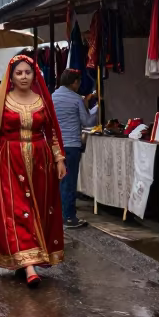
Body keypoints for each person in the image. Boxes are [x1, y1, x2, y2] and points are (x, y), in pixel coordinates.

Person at [0, 55, 67, 287]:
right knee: (17, 209)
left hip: (40, 163)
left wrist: (59, 159)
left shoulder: (42, 100)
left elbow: (51, 131)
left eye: (27, 72)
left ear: (34, 74)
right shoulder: (2, 101)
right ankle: (29, 266)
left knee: (37, 209)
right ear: (11, 76)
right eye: (18, 73)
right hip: (9, 161)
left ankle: (26, 259)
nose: (23, 77)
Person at [52, 69, 99, 229]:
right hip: (71, 145)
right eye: (78, 82)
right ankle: (69, 217)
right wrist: (96, 108)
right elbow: (87, 122)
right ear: (74, 82)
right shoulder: (76, 99)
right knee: (69, 182)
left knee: (59, 181)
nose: (79, 86)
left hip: (55, 146)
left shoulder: (52, 97)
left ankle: (58, 214)